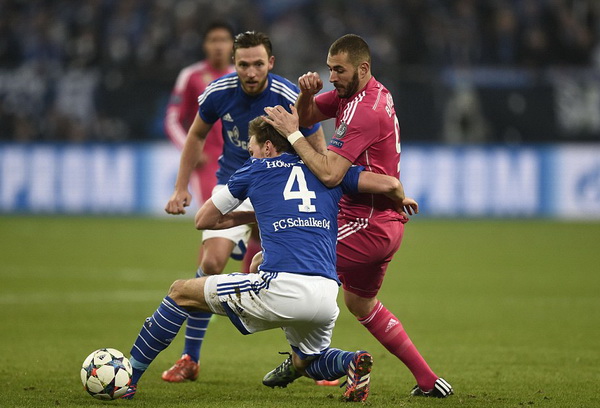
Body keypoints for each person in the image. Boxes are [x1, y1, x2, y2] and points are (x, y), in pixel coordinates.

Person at [123, 116, 419, 402]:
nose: (249, 153)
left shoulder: (256, 169)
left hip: (281, 287)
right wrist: (399, 200)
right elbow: (390, 184)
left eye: (251, 147)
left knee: (179, 293)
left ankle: (127, 380)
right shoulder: (329, 171)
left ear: (267, 147)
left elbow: (204, 219)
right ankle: (351, 361)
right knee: (305, 360)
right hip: (327, 293)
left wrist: (259, 211)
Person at [262, 34, 454, 398]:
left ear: (363, 69)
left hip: (364, 224)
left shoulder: (363, 111)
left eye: (339, 70)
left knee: (278, 265)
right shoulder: (359, 94)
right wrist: (305, 94)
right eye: (330, 68)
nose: (331, 76)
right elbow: (306, 116)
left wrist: (292, 136)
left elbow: (331, 173)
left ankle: (307, 360)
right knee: (359, 303)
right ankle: (428, 380)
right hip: (382, 224)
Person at [162, 31, 327, 384]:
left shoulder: (286, 96)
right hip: (235, 183)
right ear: (233, 64)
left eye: (257, 64)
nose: (250, 72)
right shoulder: (219, 91)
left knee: (300, 268)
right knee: (210, 262)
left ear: (271, 63)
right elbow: (195, 134)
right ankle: (190, 357)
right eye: (243, 65)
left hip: (282, 187)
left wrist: (322, 183)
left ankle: (313, 360)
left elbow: (315, 140)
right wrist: (180, 187)